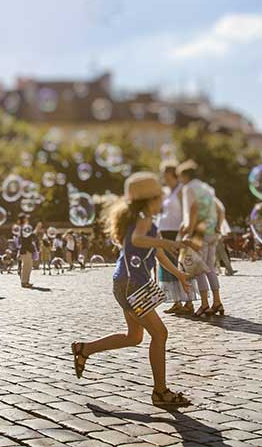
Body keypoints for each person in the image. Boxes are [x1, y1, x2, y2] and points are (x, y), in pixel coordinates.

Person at [70, 172, 193, 408]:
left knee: (134, 337)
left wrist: (179, 275)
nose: (163, 202)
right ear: (149, 200)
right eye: (159, 198)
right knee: (160, 334)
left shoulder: (146, 221)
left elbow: (156, 253)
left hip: (128, 283)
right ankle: (160, 392)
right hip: (131, 284)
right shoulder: (142, 220)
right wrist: (166, 241)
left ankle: (84, 349)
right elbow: (138, 240)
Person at [177, 160, 224, 318]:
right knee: (210, 267)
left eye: (180, 176)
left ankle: (204, 304)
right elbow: (219, 208)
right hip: (211, 229)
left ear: (185, 176)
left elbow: (193, 209)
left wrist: (189, 232)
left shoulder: (189, 188)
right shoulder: (206, 187)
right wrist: (218, 226)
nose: (179, 180)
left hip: (199, 230)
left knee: (198, 270)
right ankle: (217, 301)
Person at [155, 161, 192, 316]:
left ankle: (189, 302)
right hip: (163, 232)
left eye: (164, 173)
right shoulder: (165, 191)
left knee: (181, 266)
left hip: (176, 232)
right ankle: (176, 301)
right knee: (168, 267)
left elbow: (188, 211)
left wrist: (185, 231)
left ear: (171, 174)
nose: (162, 176)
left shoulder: (181, 190)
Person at [18, 214, 36, 288]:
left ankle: (26, 281)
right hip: (26, 249)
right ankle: (24, 282)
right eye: (26, 218)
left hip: (27, 249)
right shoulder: (24, 227)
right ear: (24, 219)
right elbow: (30, 236)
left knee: (29, 266)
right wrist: (37, 229)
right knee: (26, 266)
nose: (28, 219)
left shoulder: (24, 227)